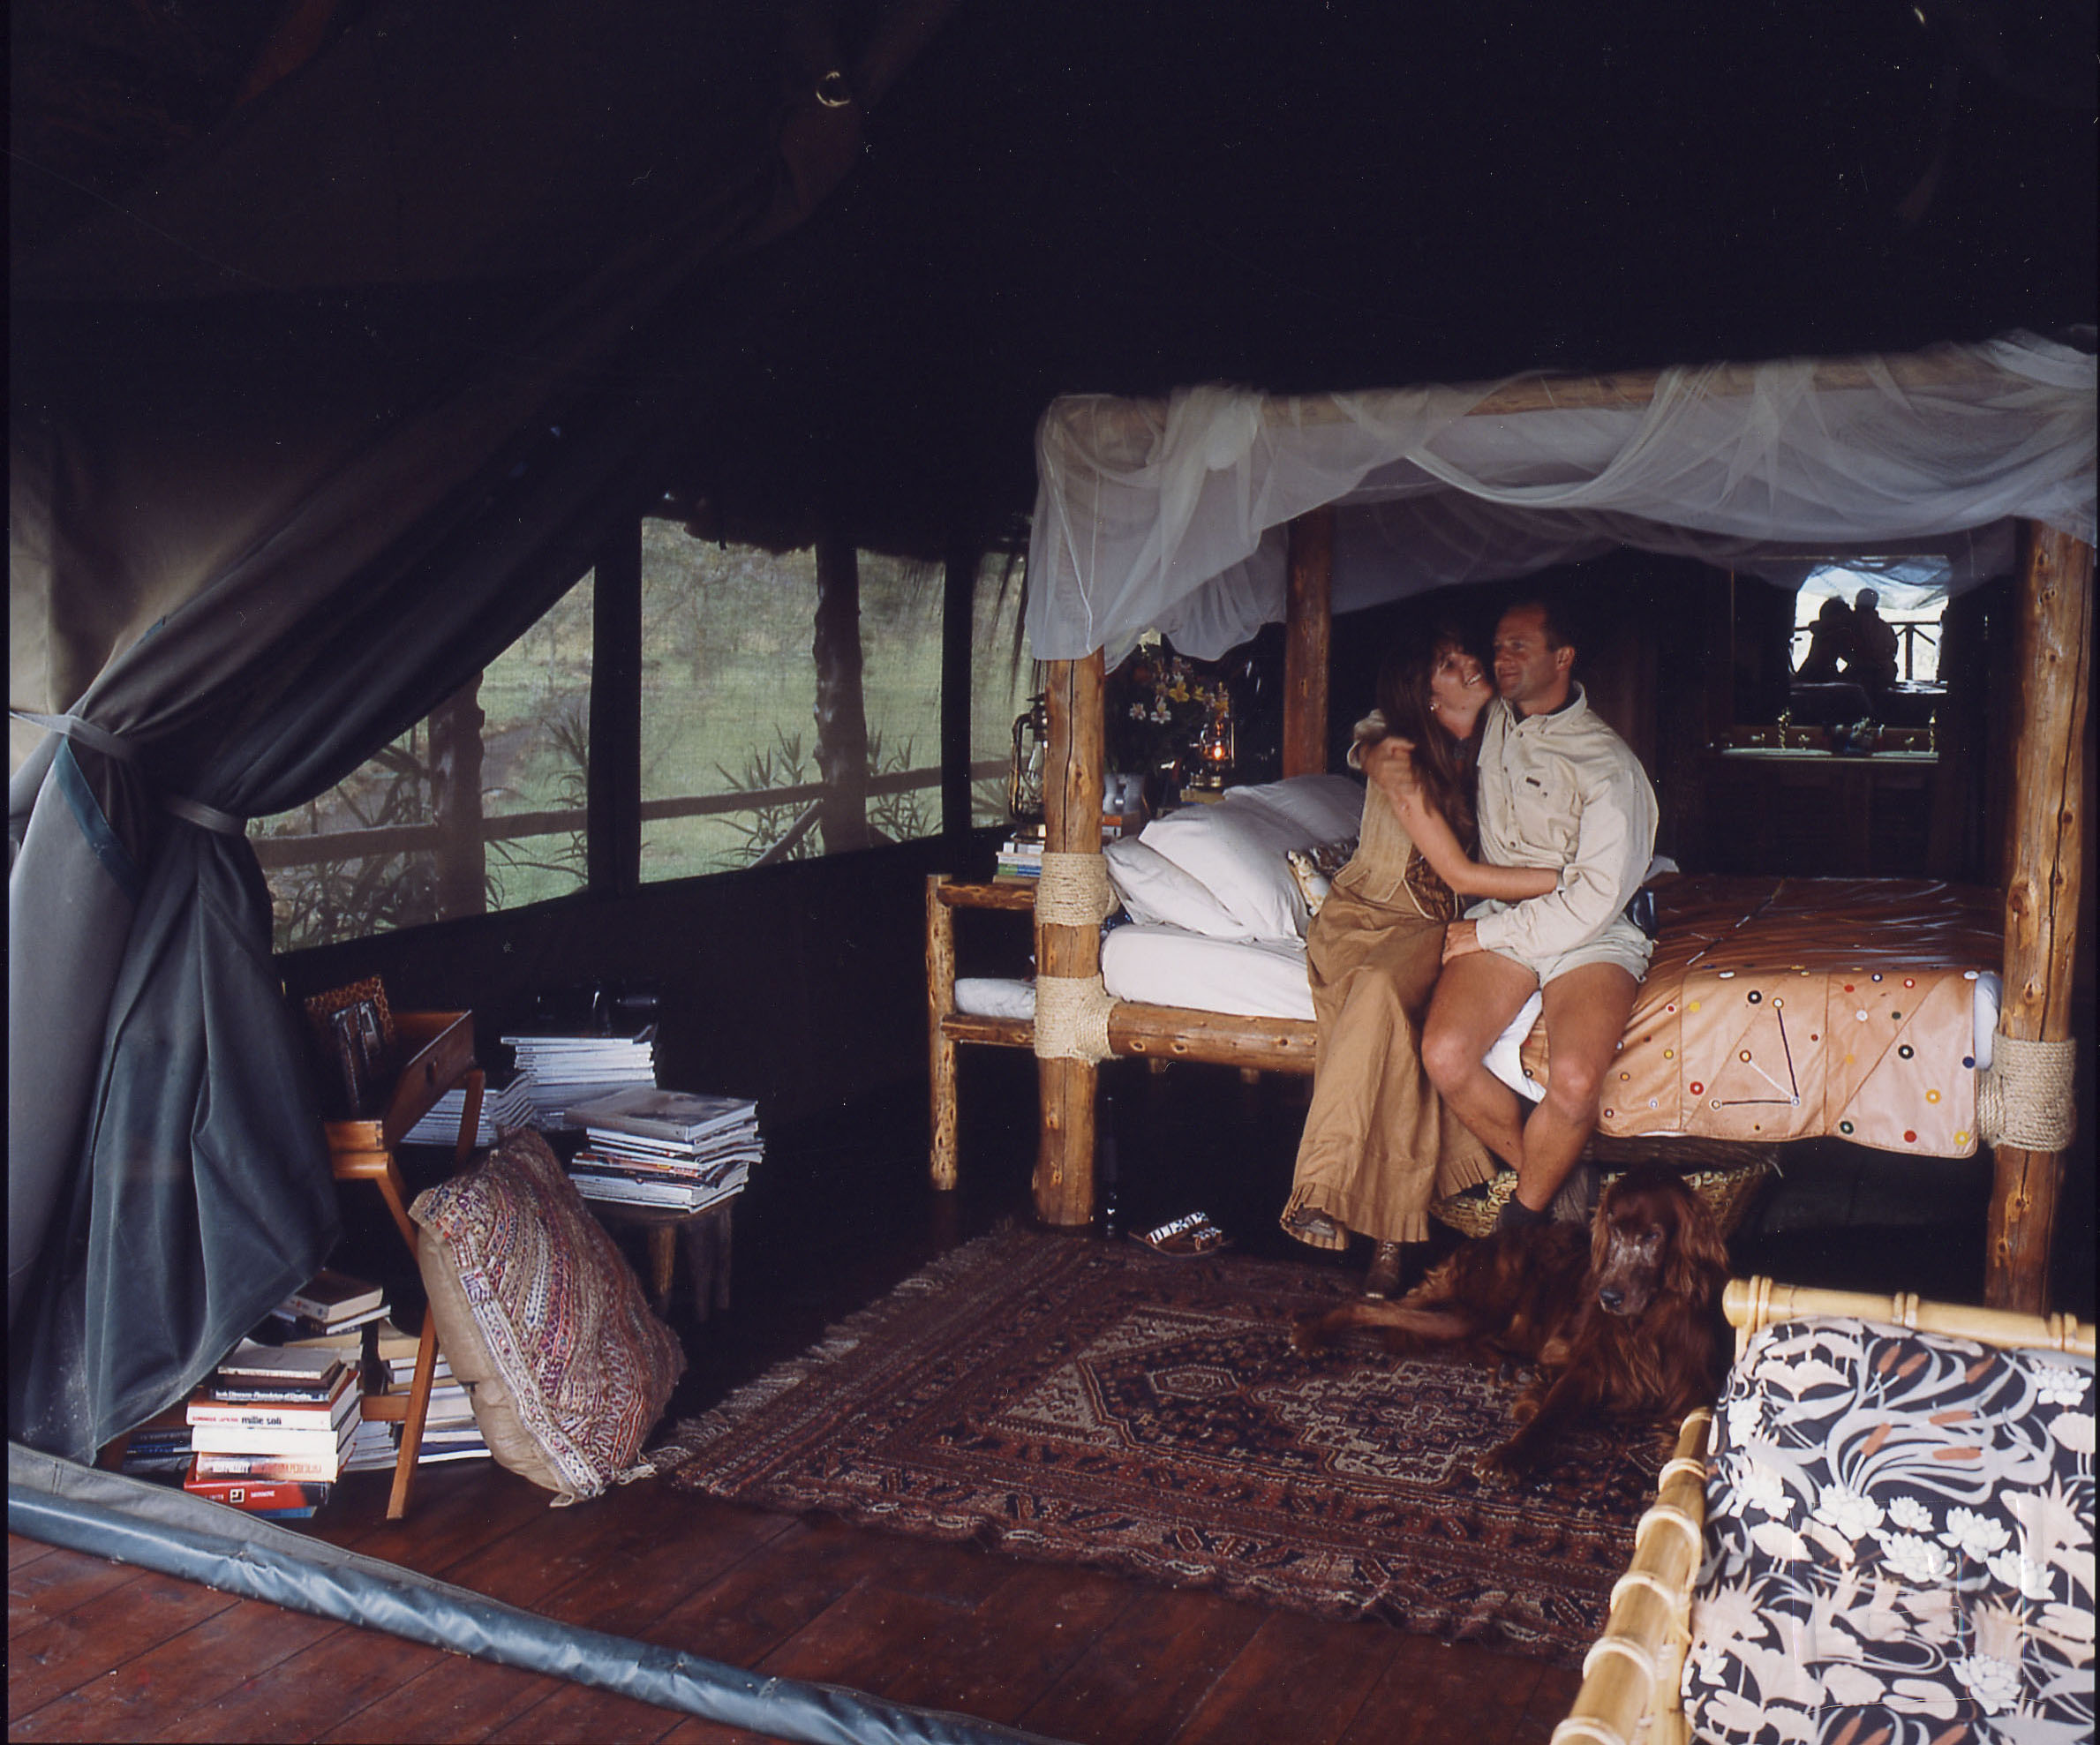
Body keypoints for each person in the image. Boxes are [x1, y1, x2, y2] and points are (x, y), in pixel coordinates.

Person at [1280, 626, 1561, 1297]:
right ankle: (1363, 1220)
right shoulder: (1391, 738)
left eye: (1466, 655)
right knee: (1380, 1000)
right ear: (1423, 691)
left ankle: (1382, 1233)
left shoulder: (1500, 733)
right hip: (1359, 921)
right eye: (1446, 662)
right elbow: (1370, 741)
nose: (1468, 666)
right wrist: (1574, 881)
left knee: (1400, 1011)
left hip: (1434, 927)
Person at [1419, 595, 1660, 1232]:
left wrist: (1486, 931)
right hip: (1508, 911)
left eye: (1518, 647)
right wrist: (1376, 747)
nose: (1501, 658)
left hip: (1592, 930)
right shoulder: (1496, 716)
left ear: (1562, 657)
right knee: (1444, 1053)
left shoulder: (1610, 767)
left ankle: (1521, 1225)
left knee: (1577, 1079)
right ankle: (1554, 1180)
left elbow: (1591, 899)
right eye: (1497, 646)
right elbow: (1428, 700)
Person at [1845, 586, 1901, 703]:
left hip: (1862, 676)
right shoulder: (1884, 626)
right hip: (1886, 674)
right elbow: (1893, 650)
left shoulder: (1853, 624)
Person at [1794, 596, 1855, 683]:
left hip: (1806, 674)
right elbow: (1853, 659)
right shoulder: (1837, 633)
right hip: (1822, 677)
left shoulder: (1822, 631)